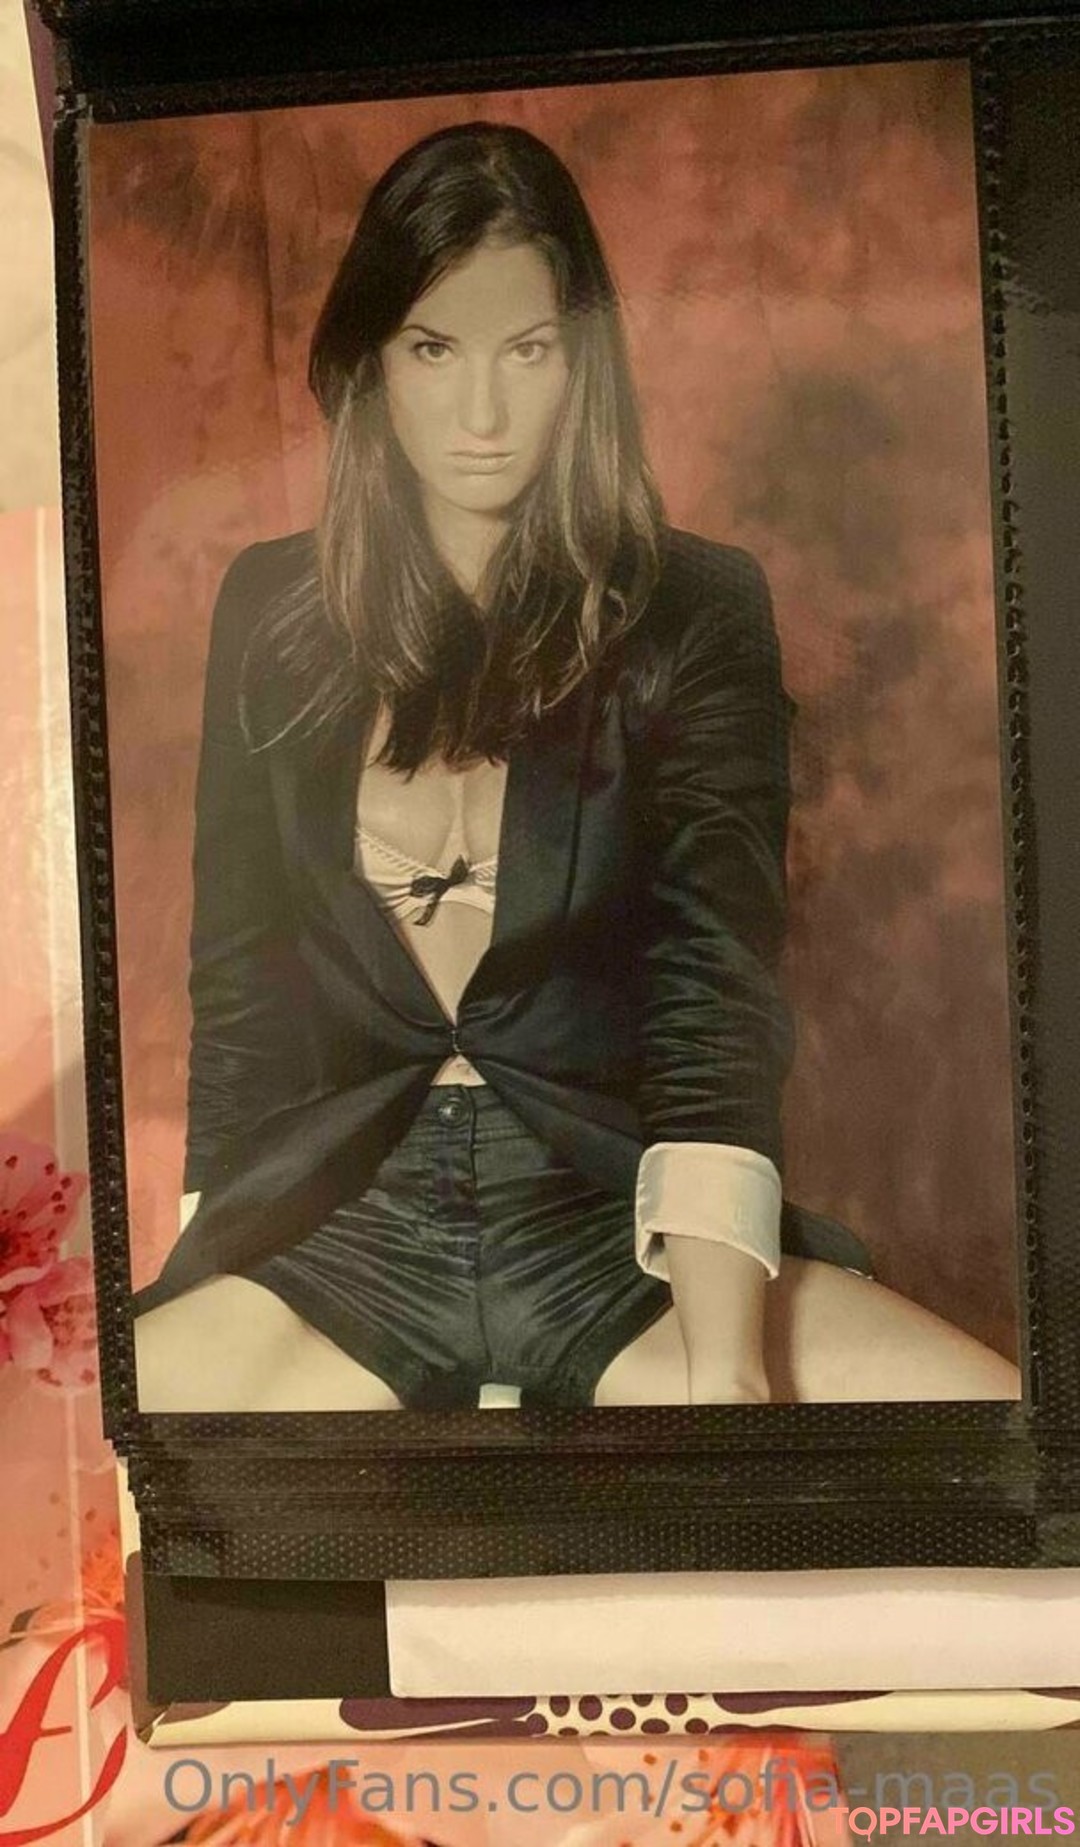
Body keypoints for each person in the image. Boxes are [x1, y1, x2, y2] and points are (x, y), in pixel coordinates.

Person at [133, 122, 1019, 1412]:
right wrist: (204, 1250)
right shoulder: (272, 610)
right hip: (348, 1229)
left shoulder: (695, 606)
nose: (483, 415)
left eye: (529, 350)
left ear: (582, 360)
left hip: (610, 1220)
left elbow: (712, 993)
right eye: (433, 349)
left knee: (990, 1444)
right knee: (120, 1454)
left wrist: (725, 1368)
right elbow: (240, 983)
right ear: (372, 360)